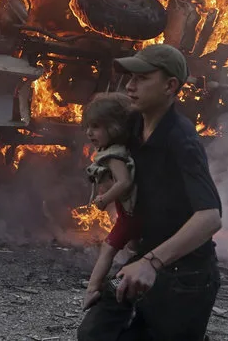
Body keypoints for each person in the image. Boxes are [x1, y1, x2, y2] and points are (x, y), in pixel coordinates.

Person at [77, 44, 223, 341]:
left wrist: (152, 262)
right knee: (94, 334)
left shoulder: (182, 140)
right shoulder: (133, 123)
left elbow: (210, 217)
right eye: (129, 78)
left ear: (170, 86)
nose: (130, 86)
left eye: (142, 78)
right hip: (143, 259)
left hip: (185, 276)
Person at [81, 92, 140, 311]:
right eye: (88, 126)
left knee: (108, 248)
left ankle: (92, 291)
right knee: (136, 246)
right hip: (135, 212)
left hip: (131, 215)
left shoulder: (114, 155)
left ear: (114, 128)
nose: (89, 132)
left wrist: (104, 199)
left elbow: (124, 182)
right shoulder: (125, 149)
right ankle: (131, 277)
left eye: (96, 127)